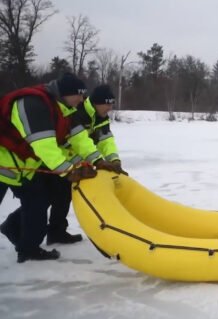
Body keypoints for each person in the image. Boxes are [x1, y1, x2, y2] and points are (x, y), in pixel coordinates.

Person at [0, 73, 116, 263]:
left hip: (23, 165)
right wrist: (69, 170)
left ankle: (27, 247)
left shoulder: (66, 109)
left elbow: (80, 139)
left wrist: (98, 160)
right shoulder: (33, 104)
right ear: (66, 93)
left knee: (38, 203)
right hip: (5, 161)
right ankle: (23, 240)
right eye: (78, 94)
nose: (82, 99)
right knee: (38, 202)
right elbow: (45, 146)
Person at [42, 84, 127, 246]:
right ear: (96, 103)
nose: (110, 108)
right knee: (45, 198)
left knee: (63, 197)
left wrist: (114, 159)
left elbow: (106, 140)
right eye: (107, 104)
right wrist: (90, 162)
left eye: (112, 104)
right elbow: (75, 142)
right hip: (58, 160)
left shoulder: (100, 117)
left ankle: (56, 232)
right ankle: (13, 226)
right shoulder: (78, 113)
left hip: (77, 161)